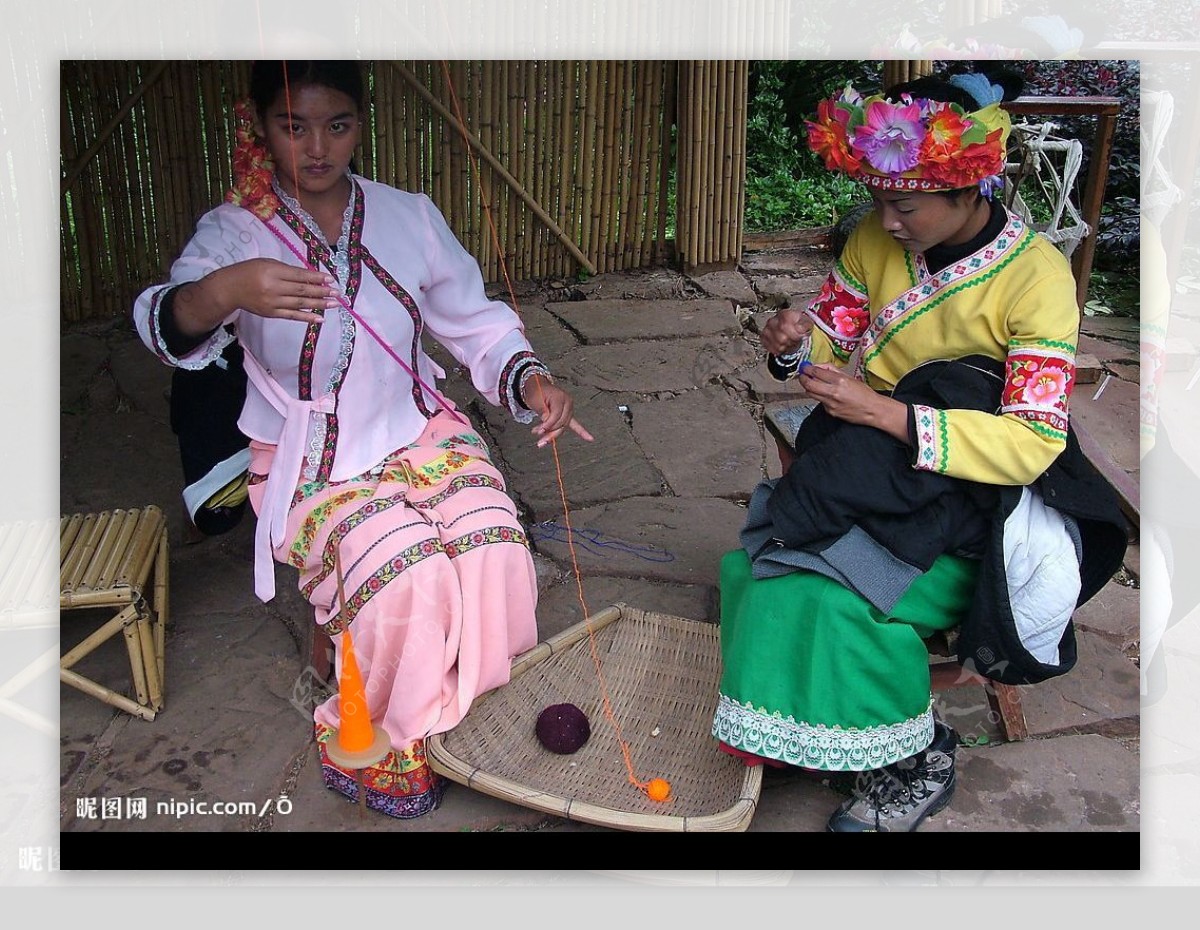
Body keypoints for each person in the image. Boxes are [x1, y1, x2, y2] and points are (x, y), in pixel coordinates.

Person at [133, 60, 592, 819]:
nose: (316, 147)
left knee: (493, 542)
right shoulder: (234, 233)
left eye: (337, 125)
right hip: (311, 458)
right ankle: (398, 725)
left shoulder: (406, 216)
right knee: (406, 574)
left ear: (360, 125)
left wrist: (529, 378)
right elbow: (162, 322)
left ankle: (471, 713)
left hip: (417, 431)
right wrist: (226, 291)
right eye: (293, 125)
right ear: (258, 124)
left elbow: (473, 321)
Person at [710, 71, 1127, 831]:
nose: (886, 221)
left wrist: (888, 414)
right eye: (878, 201)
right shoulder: (874, 240)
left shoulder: (1035, 279)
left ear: (969, 186)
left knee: (830, 599)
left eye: (904, 204)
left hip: (965, 492)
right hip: (867, 466)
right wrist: (791, 348)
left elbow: (1032, 444)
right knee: (756, 567)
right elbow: (829, 341)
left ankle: (918, 757)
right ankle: (801, 716)